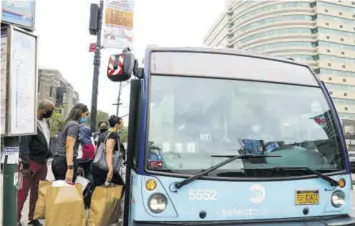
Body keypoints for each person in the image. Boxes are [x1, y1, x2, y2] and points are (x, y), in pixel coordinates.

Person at [18, 100, 55, 226]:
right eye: (50, 109)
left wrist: (49, 152)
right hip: (31, 163)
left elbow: (46, 139)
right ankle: (15, 220)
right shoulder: (30, 123)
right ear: (42, 109)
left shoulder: (46, 123)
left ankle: (32, 218)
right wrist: (26, 164)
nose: (51, 112)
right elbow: (24, 145)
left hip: (42, 162)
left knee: (37, 193)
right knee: (22, 192)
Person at [52, 103, 89, 184]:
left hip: (59, 159)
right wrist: (70, 168)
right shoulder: (74, 125)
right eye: (86, 114)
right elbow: (69, 146)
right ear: (81, 113)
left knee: (60, 192)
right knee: (66, 192)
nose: (86, 117)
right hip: (65, 161)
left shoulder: (67, 123)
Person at [91, 115, 125, 187]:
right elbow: (109, 151)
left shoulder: (103, 134)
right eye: (121, 124)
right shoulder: (113, 134)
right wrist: (110, 170)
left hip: (96, 166)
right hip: (104, 169)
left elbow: (96, 150)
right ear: (116, 125)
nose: (121, 126)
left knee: (98, 191)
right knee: (120, 186)